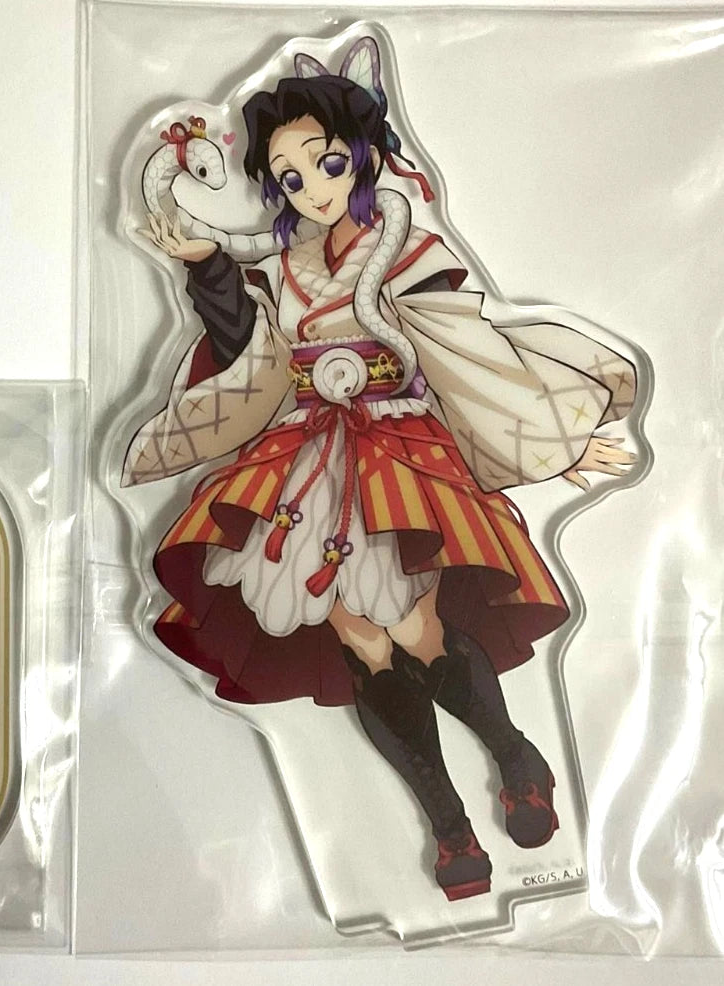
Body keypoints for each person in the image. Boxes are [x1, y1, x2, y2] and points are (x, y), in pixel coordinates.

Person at [126, 37, 637, 901]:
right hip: (305, 458)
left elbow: (468, 355)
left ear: (361, 155)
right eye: (289, 178)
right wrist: (206, 267)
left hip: (397, 451)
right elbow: (245, 348)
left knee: (415, 629)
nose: (311, 189)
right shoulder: (284, 266)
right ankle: (447, 823)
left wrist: (553, 441)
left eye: (325, 164)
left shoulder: (405, 245)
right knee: (359, 643)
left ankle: (515, 757)